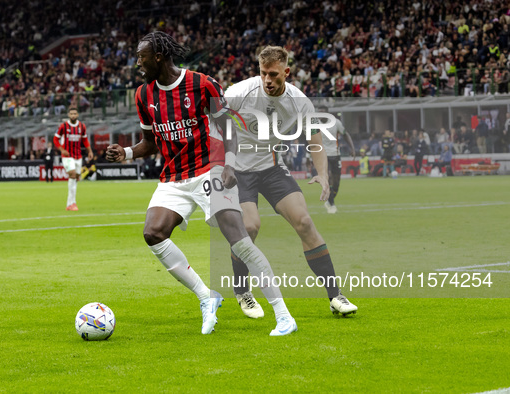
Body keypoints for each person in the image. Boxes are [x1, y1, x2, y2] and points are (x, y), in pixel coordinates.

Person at [106, 32, 296, 336]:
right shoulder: (143, 95)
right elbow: (150, 142)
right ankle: (207, 297)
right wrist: (126, 152)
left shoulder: (201, 83)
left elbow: (228, 126)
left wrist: (231, 164)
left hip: (210, 169)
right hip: (173, 176)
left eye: (141, 56)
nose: (137, 62)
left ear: (158, 57)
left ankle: (283, 315)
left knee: (239, 240)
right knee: (153, 233)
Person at [224, 46, 357, 319]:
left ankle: (336, 297)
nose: (267, 80)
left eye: (273, 74)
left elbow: (315, 141)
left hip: (271, 167)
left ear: (287, 71)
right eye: (263, 74)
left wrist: (322, 174)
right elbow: (213, 122)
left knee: (305, 222)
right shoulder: (240, 92)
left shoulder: (299, 101)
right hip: (237, 170)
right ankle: (242, 291)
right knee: (249, 227)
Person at [53, 108, 93, 210]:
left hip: (78, 156)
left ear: (78, 114)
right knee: (73, 174)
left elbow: (85, 139)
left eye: (75, 113)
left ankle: (69, 204)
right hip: (67, 156)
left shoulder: (81, 126)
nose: (73, 115)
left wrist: (90, 151)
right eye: (71, 113)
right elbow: (55, 139)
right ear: (68, 114)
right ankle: (72, 203)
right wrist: (62, 150)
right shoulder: (63, 126)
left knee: (76, 177)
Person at [318, 106, 356, 214]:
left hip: (335, 154)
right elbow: (311, 140)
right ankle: (332, 205)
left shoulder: (336, 123)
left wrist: (352, 148)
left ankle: (329, 201)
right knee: (329, 177)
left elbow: (345, 134)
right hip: (323, 155)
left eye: (322, 111)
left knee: (336, 182)